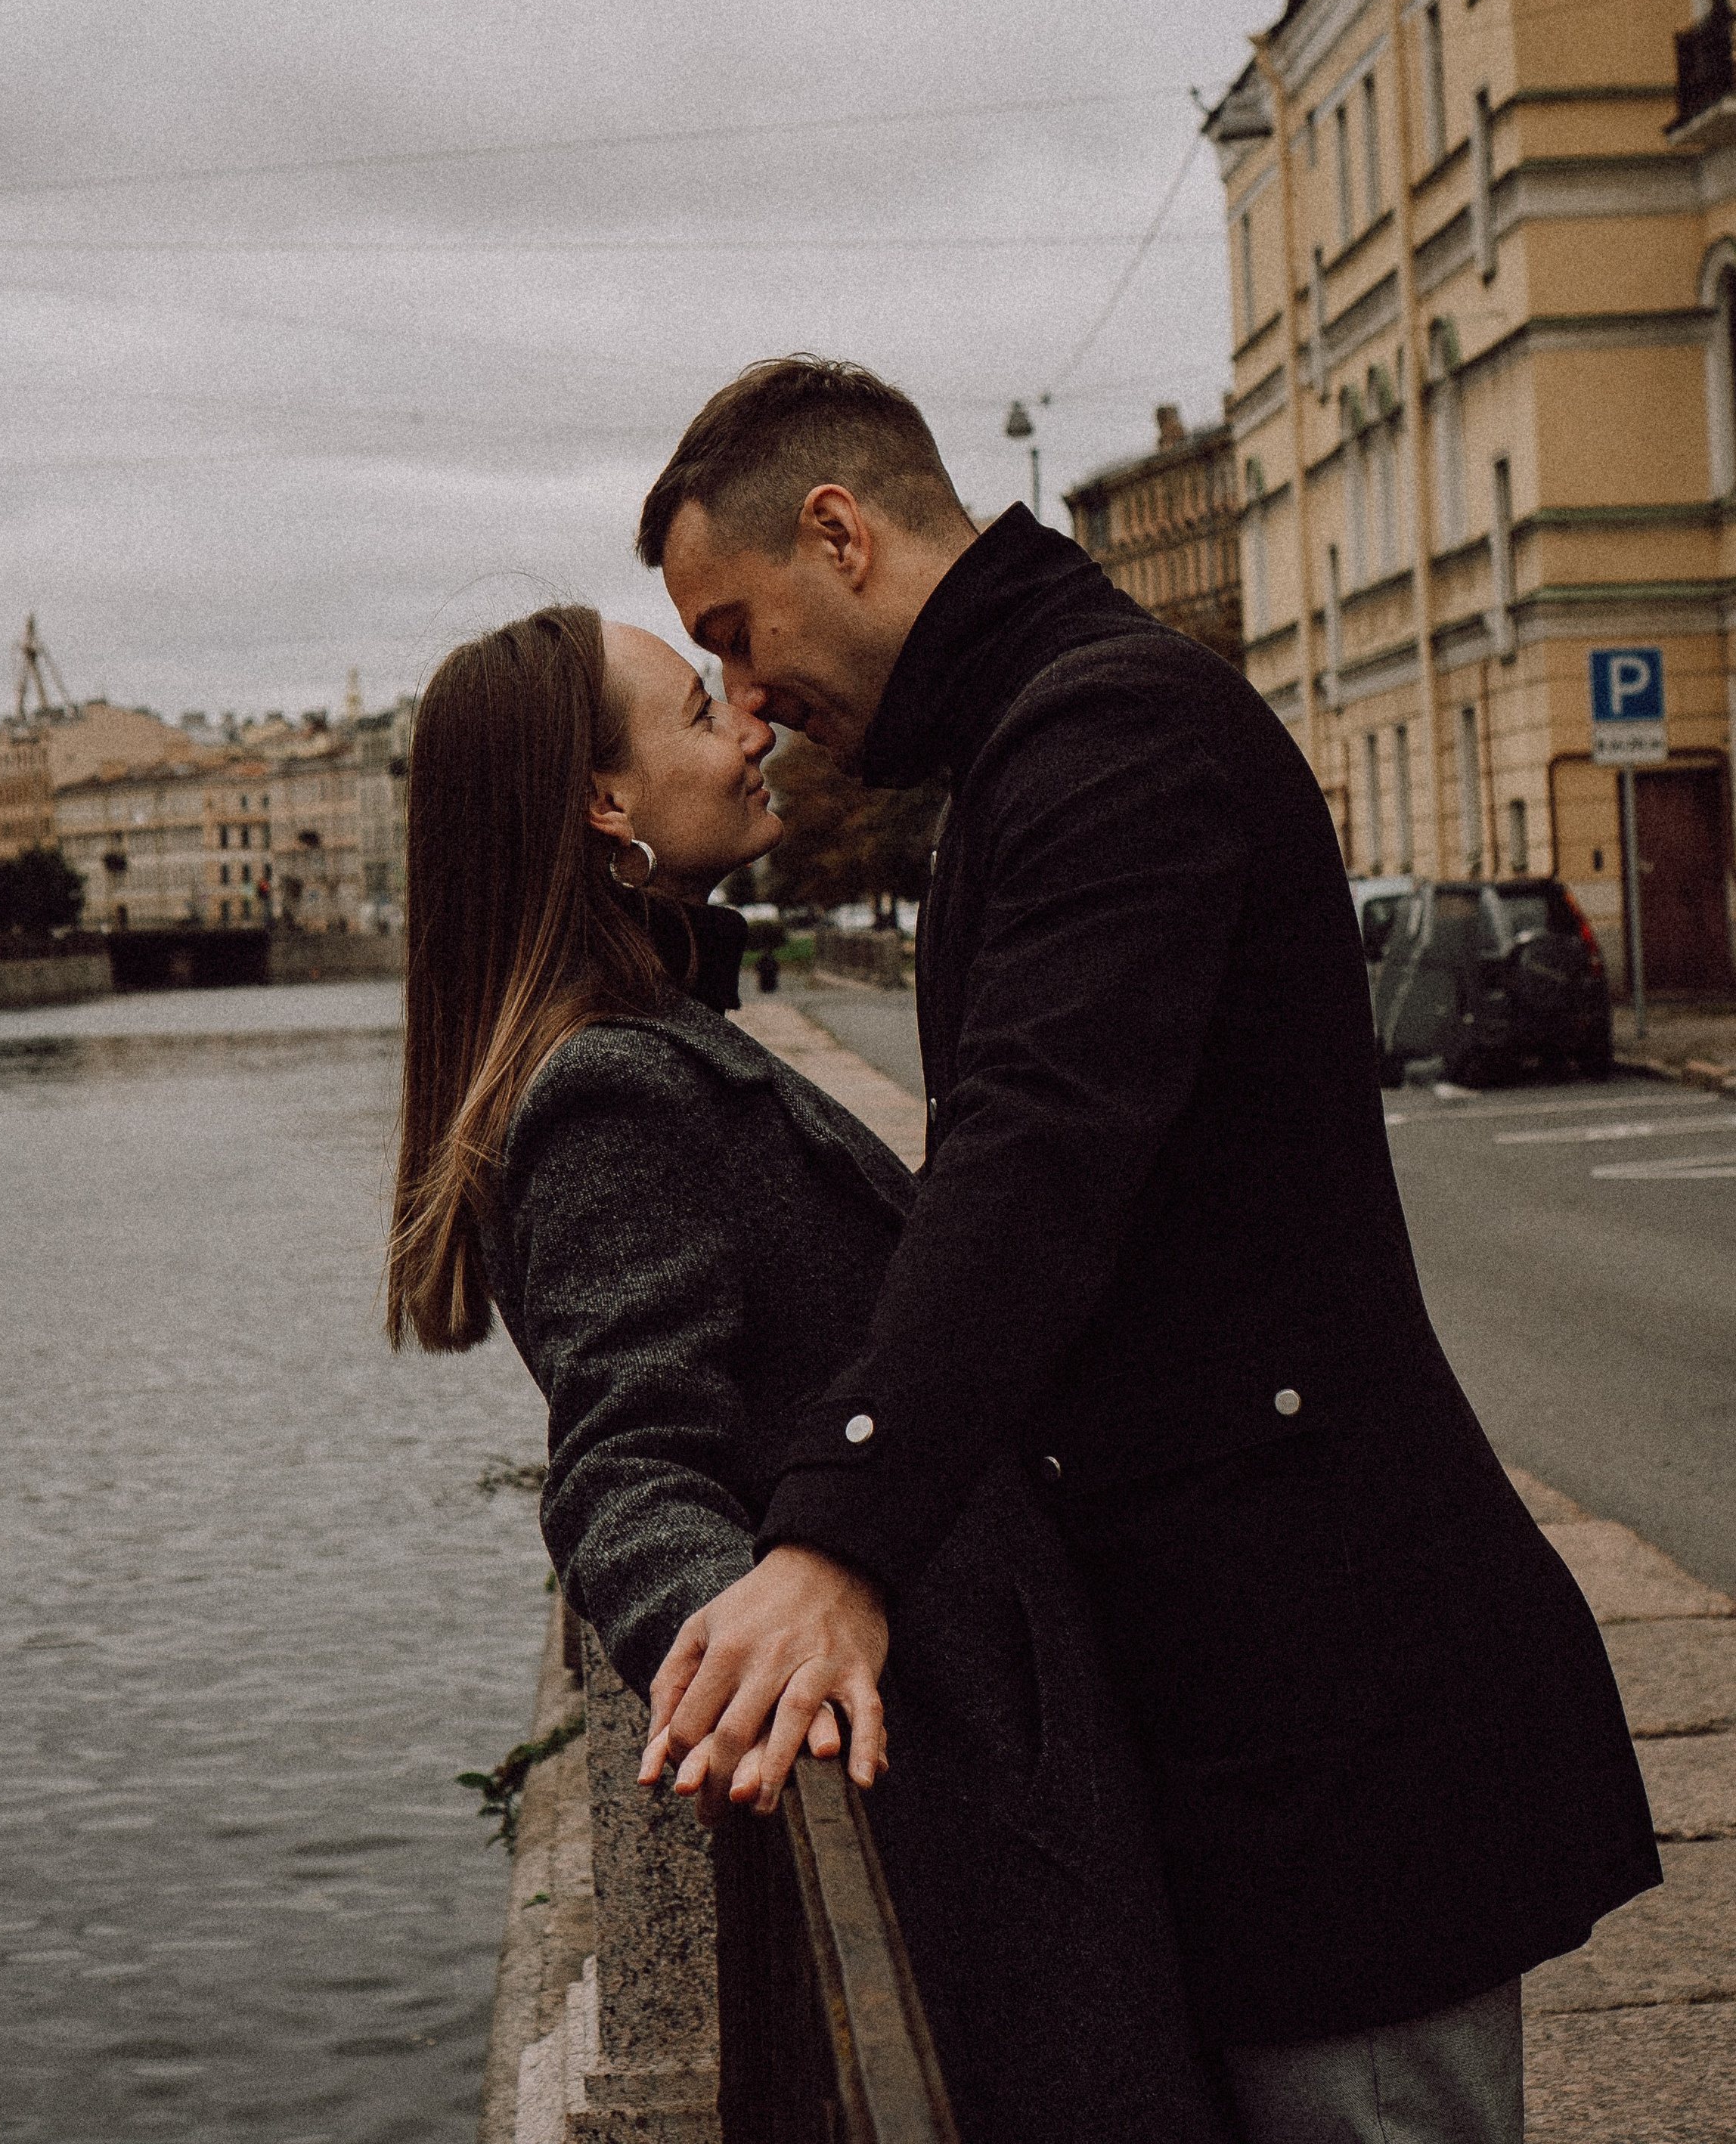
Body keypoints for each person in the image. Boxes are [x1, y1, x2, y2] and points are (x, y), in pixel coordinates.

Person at [635, 356, 1661, 2144]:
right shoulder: (1044, 728)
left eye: (736, 632)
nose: (748, 699)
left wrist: (836, 1535)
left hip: (1331, 1707)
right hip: (1258, 1696)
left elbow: (1036, 1158)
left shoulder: (1107, 732)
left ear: (839, 533)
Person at [384, 605, 1226, 2144]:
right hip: (952, 1780)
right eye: (698, 711)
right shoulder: (612, 1090)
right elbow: (625, 1461)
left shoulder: (654, 1038)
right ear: (603, 802)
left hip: (976, 1747)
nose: (750, 722)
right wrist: (738, 1649)